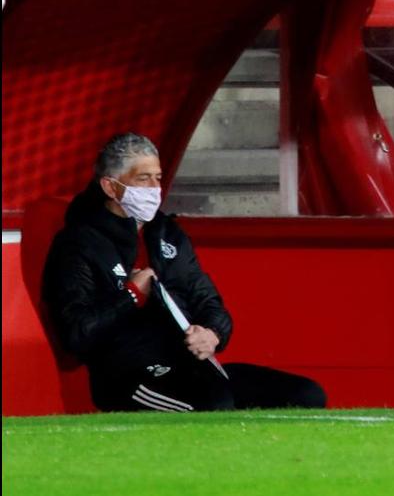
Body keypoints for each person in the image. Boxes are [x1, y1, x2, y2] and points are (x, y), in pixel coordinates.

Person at [42, 132, 327, 412]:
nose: (155, 189)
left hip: (191, 367)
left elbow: (208, 300)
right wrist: (130, 295)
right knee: (213, 403)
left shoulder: (168, 234)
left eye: (158, 178)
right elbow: (76, 334)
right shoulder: (79, 243)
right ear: (110, 187)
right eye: (143, 179)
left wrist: (213, 334)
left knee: (305, 395)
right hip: (129, 376)